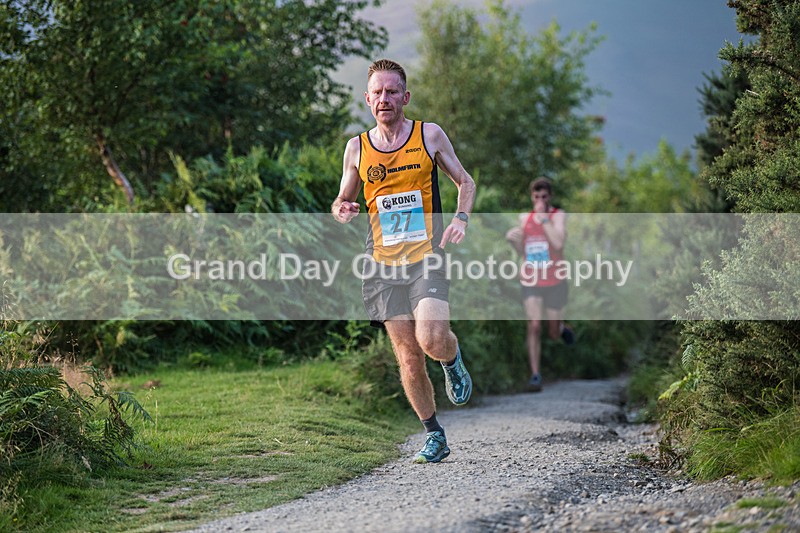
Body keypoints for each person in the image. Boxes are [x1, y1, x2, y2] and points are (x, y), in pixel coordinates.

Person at [331, 59, 476, 463]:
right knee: (408, 355)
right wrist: (342, 208)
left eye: (392, 91)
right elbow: (343, 197)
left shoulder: (429, 135)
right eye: (377, 92)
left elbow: (466, 181)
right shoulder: (357, 147)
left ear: (405, 97)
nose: (384, 99)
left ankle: (451, 357)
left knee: (430, 340)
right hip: (381, 265)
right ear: (367, 99)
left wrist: (461, 218)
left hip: (426, 255)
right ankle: (434, 435)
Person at [505, 177, 575, 392]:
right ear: (531, 197)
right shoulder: (525, 217)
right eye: (536, 197)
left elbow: (558, 243)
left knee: (552, 333)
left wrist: (544, 220)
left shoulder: (557, 216)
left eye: (544, 196)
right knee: (534, 325)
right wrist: (513, 240)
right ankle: (535, 374)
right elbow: (522, 251)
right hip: (531, 279)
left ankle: (561, 328)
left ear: (550, 197)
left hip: (555, 279)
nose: (540, 200)